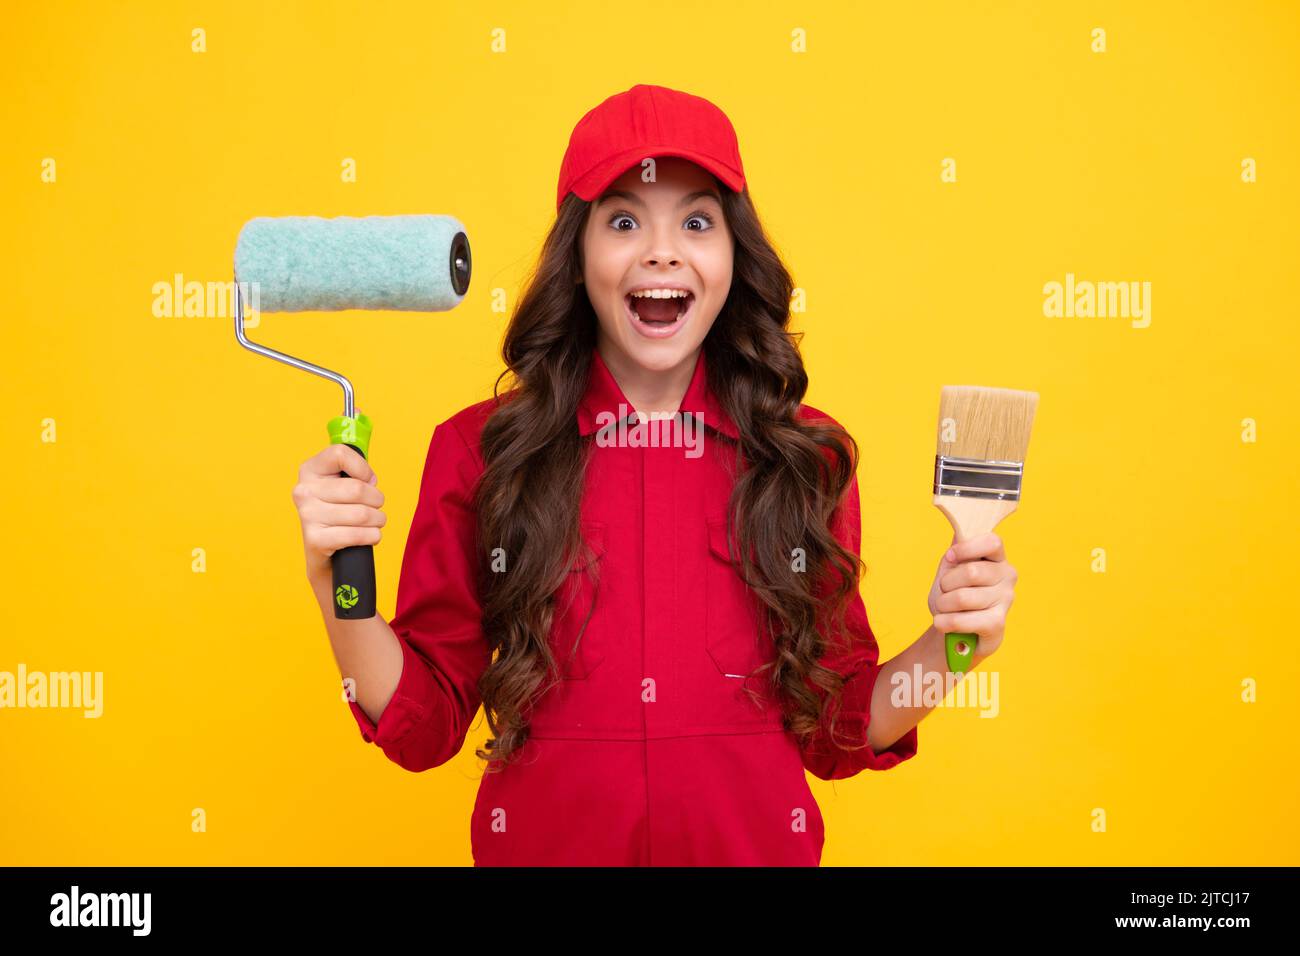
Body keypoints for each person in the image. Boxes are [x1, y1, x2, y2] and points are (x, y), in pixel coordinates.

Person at [291, 83, 1019, 866]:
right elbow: (424, 727)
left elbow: (840, 728)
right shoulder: (481, 453)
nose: (662, 252)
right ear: (576, 257)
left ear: (736, 259)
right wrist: (340, 583)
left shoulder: (806, 458)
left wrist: (953, 649)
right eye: (625, 221)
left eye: (697, 221)